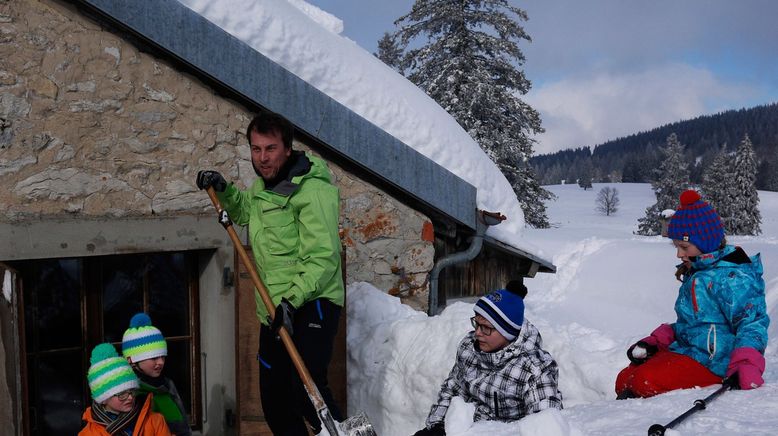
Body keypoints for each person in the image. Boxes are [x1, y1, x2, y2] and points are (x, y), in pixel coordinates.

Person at [196, 110, 344, 435]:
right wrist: (224, 191)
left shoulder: (312, 190)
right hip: (274, 309)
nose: (262, 157)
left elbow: (323, 256)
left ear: (287, 149)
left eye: (270, 148)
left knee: (306, 390)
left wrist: (292, 301)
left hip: (310, 302)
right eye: (256, 148)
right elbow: (246, 211)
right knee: (275, 403)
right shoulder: (263, 187)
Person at [616, 189, 769, 399]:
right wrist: (658, 340)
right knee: (625, 378)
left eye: (684, 246)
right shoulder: (697, 273)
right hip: (690, 353)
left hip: (718, 364)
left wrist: (745, 364)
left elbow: (752, 323)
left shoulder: (732, 277)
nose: (679, 254)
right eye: (676, 246)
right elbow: (693, 325)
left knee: (644, 381)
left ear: (705, 243)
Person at [413, 281, 563, 436]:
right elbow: (454, 388)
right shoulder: (469, 348)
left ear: (508, 332)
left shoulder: (535, 368)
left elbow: (544, 424)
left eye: (486, 328)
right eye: (476, 324)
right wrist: (438, 425)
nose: (477, 333)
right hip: (463, 428)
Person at [122, 312, 191, 436]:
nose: (160, 362)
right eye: (153, 358)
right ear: (132, 361)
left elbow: (183, 425)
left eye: (162, 357)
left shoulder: (167, 385)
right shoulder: (129, 395)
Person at [80, 343, 171, 436]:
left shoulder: (155, 421)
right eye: (122, 394)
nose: (130, 397)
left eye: (132, 391)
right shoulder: (89, 433)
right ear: (103, 399)